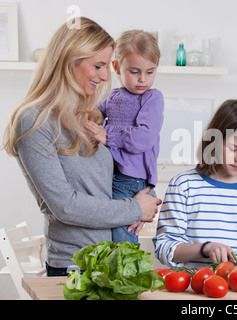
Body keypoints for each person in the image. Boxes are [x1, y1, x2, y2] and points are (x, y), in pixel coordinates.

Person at [2, 17, 161, 276]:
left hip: (109, 260)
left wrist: (133, 207)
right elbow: (65, 205)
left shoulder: (85, 115)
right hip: (76, 265)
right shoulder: (34, 120)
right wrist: (132, 208)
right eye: (98, 65)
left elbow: (101, 188)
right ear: (68, 62)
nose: (104, 76)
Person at [154, 99, 237, 269]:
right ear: (214, 143)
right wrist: (205, 249)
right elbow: (165, 247)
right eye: (233, 148)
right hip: (192, 289)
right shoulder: (184, 185)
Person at [84, 30, 164, 244]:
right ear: (117, 67)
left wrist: (108, 137)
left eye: (150, 72)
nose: (142, 79)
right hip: (112, 173)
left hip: (130, 179)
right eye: (134, 71)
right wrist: (92, 116)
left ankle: (125, 276)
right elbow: (100, 112)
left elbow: (144, 138)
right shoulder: (113, 95)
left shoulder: (152, 98)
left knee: (121, 238)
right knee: (105, 234)